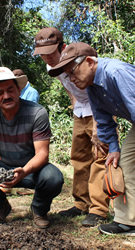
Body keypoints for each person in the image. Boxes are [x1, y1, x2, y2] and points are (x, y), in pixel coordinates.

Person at [0, 66, 64, 229]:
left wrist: (24, 171)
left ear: (18, 90)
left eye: (10, 90)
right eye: (0, 93)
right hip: (2, 167)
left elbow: (42, 154)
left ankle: (39, 210)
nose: (6, 96)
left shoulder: (37, 112)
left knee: (53, 178)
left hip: (32, 168)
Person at [49, 42, 135, 236]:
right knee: (123, 163)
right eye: (67, 76)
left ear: (89, 61)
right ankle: (127, 222)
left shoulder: (116, 72)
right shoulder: (92, 87)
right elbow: (104, 120)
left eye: (72, 72)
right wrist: (113, 148)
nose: (71, 79)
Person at [33, 27, 109, 227]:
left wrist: (99, 123)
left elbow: (97, 86)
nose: (47, 58)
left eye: (51, 52)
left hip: (99, 110)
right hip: (80, 112)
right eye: (42, 55)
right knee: (79, 158)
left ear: (63, 47)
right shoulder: (51, 68)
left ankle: (98, 209)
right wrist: (74, 102)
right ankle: (81, 203)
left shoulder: (80, 58)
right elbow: (68, 87)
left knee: (100, 156)